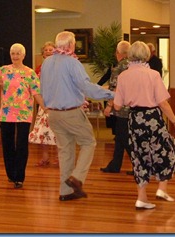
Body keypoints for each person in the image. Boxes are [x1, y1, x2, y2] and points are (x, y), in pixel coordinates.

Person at [114, 41, 175, 210]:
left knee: (139, 156)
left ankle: (142, 198)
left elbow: (117, 106)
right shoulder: (153, 75)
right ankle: (162, 188)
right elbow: (163, 103)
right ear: (147, 55)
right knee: (166, 151)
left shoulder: (123, 76)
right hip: (153, 118)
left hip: (134, 120)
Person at [40, 31, 115, 201]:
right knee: (88, 142)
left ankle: (65, 192)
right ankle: (77, 178)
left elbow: (42, 88)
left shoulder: (47, 62)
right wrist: (112, 95)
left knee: (65, 151)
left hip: (53, 114)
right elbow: (87, 87)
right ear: (71, 45)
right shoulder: (72, 63)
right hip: (71, 113)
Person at [0, 43, 45, 189]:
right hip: (7, 114)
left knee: (22, 144)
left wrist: (45, 108)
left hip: (24, 113)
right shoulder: (4, 70)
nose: (15, 56)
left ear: (24, 55)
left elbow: (36, 93)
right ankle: (11, 174)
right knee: (8, 144)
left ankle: (20, 177)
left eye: (18, 53)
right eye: (13, 53)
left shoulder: (30, 73)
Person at [100, 40, 132, 174]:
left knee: (124, 138)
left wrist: (109, 106)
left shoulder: (119, 67)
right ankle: (115, 165)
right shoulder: (133, 65)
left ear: (118, 53)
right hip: (134, 107)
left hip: (122, 109)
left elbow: (115, 89)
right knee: (121, 137)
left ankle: (141, 165)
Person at [29, 41, 58, 166]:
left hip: (57, 102)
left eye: (51, 50)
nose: (48, 52)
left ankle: (59, 157)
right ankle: (45, 157)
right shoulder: (39, 68)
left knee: (57, 131)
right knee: (43, 131)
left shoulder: (59, 67)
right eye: (46, 50)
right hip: (44, 102)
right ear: (43, 53)